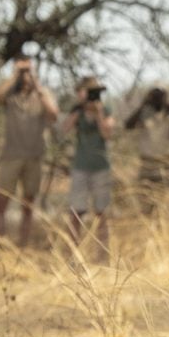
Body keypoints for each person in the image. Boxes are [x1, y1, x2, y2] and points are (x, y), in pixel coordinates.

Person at [0, 52, 59, 247]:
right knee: (1, 203)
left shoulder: (42, 94)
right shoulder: (10, 95)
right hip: (11, 156)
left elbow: (53, 114)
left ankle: (23, 247)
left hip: (34, 157)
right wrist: (15, 76)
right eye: (22, 69)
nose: (25, 74)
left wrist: (35, 82)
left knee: (28, 205)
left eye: (28, 69)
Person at [63, 75, 115, 259]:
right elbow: (65, 128)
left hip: (101, 167)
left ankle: (103, 255)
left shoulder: (105, 110)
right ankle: (73, 255)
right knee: (76, 212)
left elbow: (107, 134)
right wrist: (79, 109)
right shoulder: (77, 111)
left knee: (101, 212)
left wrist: (98, 113)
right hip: (80, 166)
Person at [124, 86, 169, 214]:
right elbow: (128, 125)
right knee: (146, 201)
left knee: (168, 202)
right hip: (148, 163)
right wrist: (142, 105)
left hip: (168, 163)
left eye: (161, 95)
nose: (157, 98)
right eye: (155, 95)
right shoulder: (144, 111)